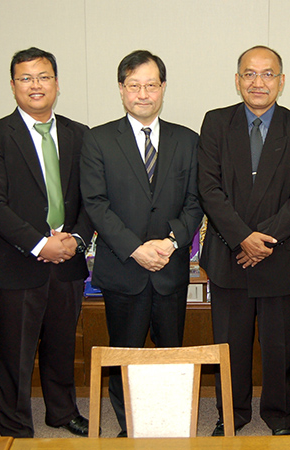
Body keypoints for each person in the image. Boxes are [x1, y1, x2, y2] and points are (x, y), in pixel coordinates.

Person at [198, 45, 290, 436]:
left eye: (268, 74)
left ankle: (280, 417)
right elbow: (208, 187)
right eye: (249, 74)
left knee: (279, 348)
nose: (258, 82)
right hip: (229, 254)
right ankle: (230, 416)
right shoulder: (215, 123)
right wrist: (241, 239)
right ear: (237, 81)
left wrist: (262, 241)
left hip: (279, 255)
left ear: (281, 82)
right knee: (229, 348)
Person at [80, 50, 202, 437]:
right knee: (124, 355)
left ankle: (170, 423)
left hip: (170, 267)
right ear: (121, 90)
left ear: (163, 88)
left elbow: (196, 202)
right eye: (134, 85)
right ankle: (128, 426)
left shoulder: (188, 140)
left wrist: (169, 243)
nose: (143, 93)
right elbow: (95, 204)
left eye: (151, 85)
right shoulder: (97, 140)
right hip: (123, 268)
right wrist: (136, 248)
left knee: (172, 356)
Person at [0, 47, 91, 438]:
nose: (35, 85)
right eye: (26, 78)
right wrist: (41, 244)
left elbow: (92, 196)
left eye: (43, 76)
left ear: (56, 83)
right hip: (18, 261)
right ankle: (14, 425)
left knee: (61, 345)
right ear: (12, 86)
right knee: (15, 353)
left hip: (68, 260)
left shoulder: (79, 134)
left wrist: (75, 238)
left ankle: (61, 411)